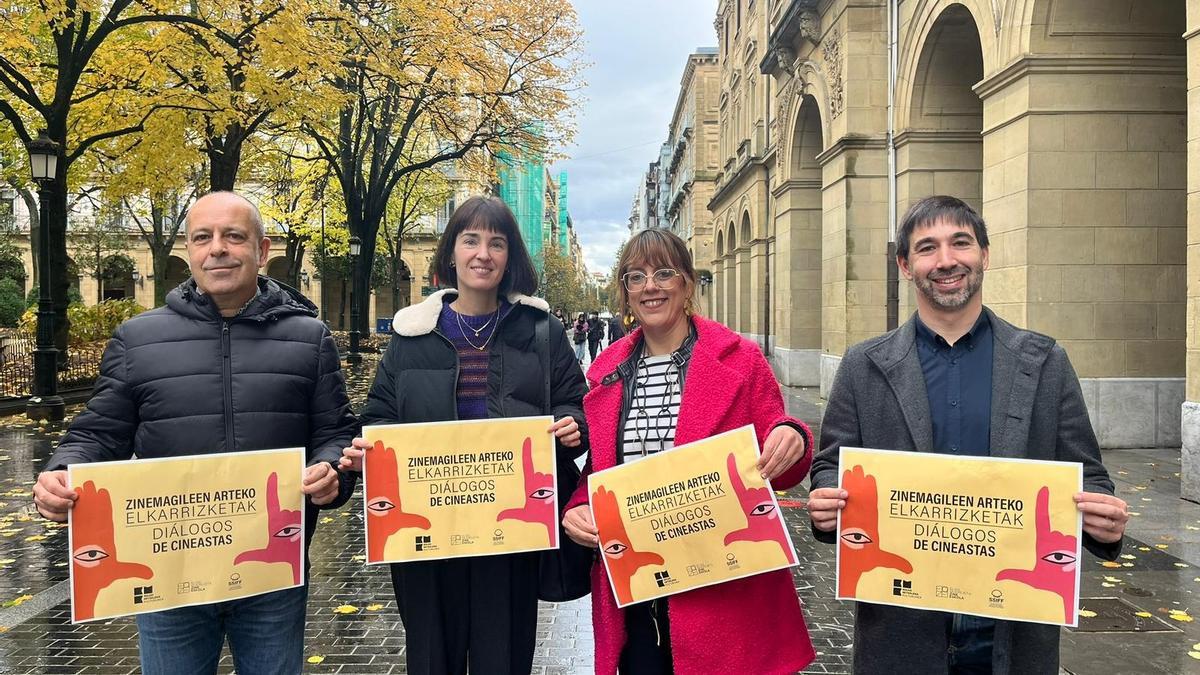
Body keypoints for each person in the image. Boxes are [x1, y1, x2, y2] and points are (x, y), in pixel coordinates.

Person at [32, 191, 357, 675]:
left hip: (271, 570)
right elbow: (98, 434)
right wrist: (59, 474)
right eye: (203, 237)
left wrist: (332, 473)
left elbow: (336, 433)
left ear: (262, 250)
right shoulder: (139, 340)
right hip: (168, 574)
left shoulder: (309, 339)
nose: (217, 248)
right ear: (189, 250)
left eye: (233, 236)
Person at [808, 195, 1129, 675]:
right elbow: (829, 465)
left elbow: (1089, 476)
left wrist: (1103, 518)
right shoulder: (863, 365)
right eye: (927, 248)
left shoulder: (1044, 362)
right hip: (901, 625)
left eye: (960, 243)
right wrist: (825, 500)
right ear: (904, 263)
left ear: (984, 254)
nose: (946, 261)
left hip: (1010, 627)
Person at [338, 196, 588, 675]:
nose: (483, 254)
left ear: (510, 257)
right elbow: (380, 416)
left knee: (505, 656)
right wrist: (368, 450)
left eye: (497, 243)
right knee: (433, 657)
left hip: (511, 530)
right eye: (470, 240)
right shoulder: (411, 336)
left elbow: (576, 402)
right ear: (450, 252)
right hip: (427, 532)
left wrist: (573, 423)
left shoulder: (542, 331)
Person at [561, 228, 816, 675]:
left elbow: (779, 445)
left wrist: (792, 436)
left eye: (663, 273)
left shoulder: (739, 359)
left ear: (686, 284)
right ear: (625, 292)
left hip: (723, 587)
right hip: (637, 584)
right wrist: (580, 506)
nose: (650, 287)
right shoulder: (606, 371)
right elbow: (603, 470)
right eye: (635, 277)